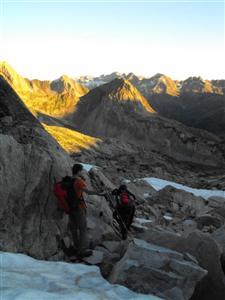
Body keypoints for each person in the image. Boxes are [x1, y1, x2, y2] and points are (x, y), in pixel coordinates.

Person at [69, 163, 105, 257]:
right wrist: (100, 193)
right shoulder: (79, 181)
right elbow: (88, 192)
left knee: (73, 229)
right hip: (79, 208)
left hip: (70, 208)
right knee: (82, 229)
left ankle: (76, 247)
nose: (82, 172)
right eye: (81, 170)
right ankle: (81, 251)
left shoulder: (69, 180)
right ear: (79, 171)